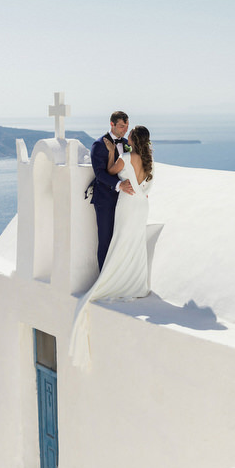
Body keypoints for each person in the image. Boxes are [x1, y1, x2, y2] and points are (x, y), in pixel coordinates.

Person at [70, 125, 154, 370]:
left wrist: (111, 153)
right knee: (135, 243)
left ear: (133, 139)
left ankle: (113, 280)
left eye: (129, 134)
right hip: (142, 205)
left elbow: (108, 171)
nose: (126, 136)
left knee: (120, 242)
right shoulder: (150, 161)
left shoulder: (126, 157)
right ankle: (136, 284)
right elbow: (147, 185)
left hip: (127, 204)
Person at [89, 111, 134, 271]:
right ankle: (103, 280)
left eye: (127, 126)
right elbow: (99, 173)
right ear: (112, 124)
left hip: (125, 200)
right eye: (122, 126)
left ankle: (118, 277)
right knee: (105, 240)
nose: (125, 130)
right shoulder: (99, 144)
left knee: (121, 239)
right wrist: (119, 185)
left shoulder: (127, 144)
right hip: (105, 201)